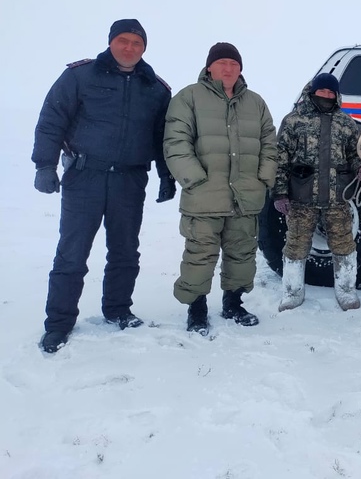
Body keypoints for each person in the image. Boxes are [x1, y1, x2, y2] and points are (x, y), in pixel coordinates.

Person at [32, 18, 175, 354]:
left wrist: (166, 175)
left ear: (144, 48)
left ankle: (118, 309)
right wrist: (44, 165)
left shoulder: (155, 88)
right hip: (85, 176)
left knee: (125, 251)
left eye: (137, 43)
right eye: (123, 41)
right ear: (111, 42)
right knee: (72, 253)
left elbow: (163, 138)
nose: (129, 48)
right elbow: (52, 119)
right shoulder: (80, 76)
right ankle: (59, 323)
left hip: (130, 179)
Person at [163, 42, 278, 335]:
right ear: (209, 66)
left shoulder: (255, 102)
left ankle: (233, 303)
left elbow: (269, 143)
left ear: (241, 69)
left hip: (245, 196)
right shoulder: (188, 97)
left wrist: (263, 178)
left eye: (234, 64)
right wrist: (195, 179)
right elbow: (176, 142)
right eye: (222, 63)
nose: (228, 69)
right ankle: (197, 308)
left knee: (242, 253)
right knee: (199, 255)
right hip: (204, 196)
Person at [272, 73, 361, 312]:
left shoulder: (346, 123)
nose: (326, 95)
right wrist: (280, 193)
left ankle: (346, 292)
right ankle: (292, 293)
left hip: (337, 197)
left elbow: (354, 155)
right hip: (301, 197)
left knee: (344, 245)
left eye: (330, 92)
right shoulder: (294, 121)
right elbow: (280, 158)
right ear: (313, 92)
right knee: (295, 245)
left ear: (336, 95)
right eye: (322, 91)